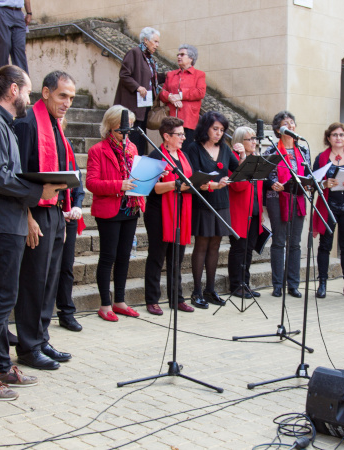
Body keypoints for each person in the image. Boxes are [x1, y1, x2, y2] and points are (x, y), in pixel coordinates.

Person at [0, 65, 63, 400]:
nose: (30, 98)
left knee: (6, 296)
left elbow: (4, 175)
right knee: (4, 298)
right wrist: (39, 193)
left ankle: (2, 366)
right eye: (29, 91)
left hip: (8, 220)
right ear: (14, 90)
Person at [13, 71, 77, 370]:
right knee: (33, 283)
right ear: (46, 92)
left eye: (72, 98)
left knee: (49, 281)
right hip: (32, 212)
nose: (67, 102)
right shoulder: (27, 124)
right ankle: (27, 347)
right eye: (63, 95)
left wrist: (63, 212)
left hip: (54, 212)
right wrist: (26, 217)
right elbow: (16, 175)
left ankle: (41, 338)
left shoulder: (55, 126)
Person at [86, 105, 145, 322]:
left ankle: (119, 301)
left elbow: (137, 176)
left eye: (128, 128)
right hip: (109, 210)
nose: (126, 133)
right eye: (121, 129)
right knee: (108, 257)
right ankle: (104, 304)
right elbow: (91, 183)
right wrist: (118, 185)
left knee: (124, 256)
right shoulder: (97, 150)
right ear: (110, 127)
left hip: (130, 208)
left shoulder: (132, 148)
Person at [143, 117, 199, 315]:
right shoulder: (156, 155)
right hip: (159, 212)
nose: (184, 137)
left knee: (177, 258)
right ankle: (152, 299)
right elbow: (151, 188)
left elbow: (189, 180)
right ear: (166, 136)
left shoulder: (183, 156)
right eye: (180, 134)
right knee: (157, 257)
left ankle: (177, 298)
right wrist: (175, 185)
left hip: (181, 211)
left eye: (184, 134)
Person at [186, 111, 239, 309]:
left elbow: (238, 170)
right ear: (206, 128)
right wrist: (212, 183)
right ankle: (196, 291)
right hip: (203, 201)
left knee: (215, 245)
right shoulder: (193, 148)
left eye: (222, 130)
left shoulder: (225, 148)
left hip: (222, 201)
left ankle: (210, 289)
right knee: (201, 245)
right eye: (215, 129)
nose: (218, 133)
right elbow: (192, 178)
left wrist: (242, 155)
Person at [312, 122, 344, 300]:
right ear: (328, 138)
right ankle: (323, 284)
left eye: (342, 135)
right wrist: (324, 184)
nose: (338, 138)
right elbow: (313, 182)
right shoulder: (321, 158)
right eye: (334, 135)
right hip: (328, 206)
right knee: (325, 246)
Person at [265, 111, 309, 299]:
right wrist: (271, 183)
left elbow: (308, 174)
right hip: (277, 198)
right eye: (286, 123)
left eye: (292, 123)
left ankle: (293, 284)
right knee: (279, 242)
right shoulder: (271, 151)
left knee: (295, 244)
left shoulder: (304, 151)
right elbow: (264, 175)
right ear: (278, 129)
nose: (290, 126)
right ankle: (277, 284)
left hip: (297, 198)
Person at [55, 118, 85, 332]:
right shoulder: (43, 145)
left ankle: (66, 313)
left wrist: (77, 205)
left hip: (69, 216)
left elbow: (78, 184)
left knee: (66, 267)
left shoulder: (67, 146)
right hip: (51, 214)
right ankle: (41, 315)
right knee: (47, 270)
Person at [113, 27, 161, 156]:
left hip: (143, 105)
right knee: (133, 136)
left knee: (140, 135)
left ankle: (138, 162)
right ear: (146, 40)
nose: (157, 45)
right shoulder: (134, 53)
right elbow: (124, 74)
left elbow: (152, 78)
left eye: (158, 42)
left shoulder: (150, 59)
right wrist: (138, 87)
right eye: (155, 41)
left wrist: (170, 75)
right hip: (132, 106)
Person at [228, 126, 263, 298]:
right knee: (239, 249)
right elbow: (238, 186)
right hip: (240, 212)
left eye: (255, 138)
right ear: (240, 142)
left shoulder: (256, 159)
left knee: (249, 250)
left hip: (255, 210)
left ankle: (245, 283)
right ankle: (236, 285)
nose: (254, 142)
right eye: (250, 139)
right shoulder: (234, 159)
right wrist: (243, 161)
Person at [159, 44, 206, 148]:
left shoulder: (199, 75)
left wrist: (180, 95)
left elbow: (200, 92)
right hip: (170, 119)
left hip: (188, 120)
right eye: (178, 54)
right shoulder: (171, 74)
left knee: (185, 151)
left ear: (191, 58)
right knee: (169, 148)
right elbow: (162, 92)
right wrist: (170, 97)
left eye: (182, 54)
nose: (178, 57)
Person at [0, 0, 31, 73]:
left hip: (18, 12)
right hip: (0, 9)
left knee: (19, 48)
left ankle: (22, 81)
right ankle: (2, 79)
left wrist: (29, 12)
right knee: (4, 45)